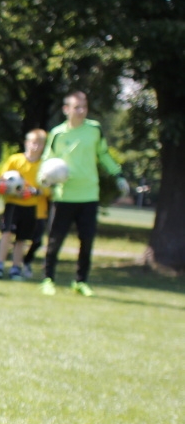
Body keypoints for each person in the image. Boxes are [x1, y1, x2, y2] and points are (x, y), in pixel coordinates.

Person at [39, 91, 128, 297]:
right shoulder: (58, 133)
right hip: (64, 196)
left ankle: (81, 282)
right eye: (76, 107)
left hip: (89, 195)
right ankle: (48, 279)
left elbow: (103, 155)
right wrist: (45, 177)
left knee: (86, 240)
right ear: (66, 110)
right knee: (55, 241)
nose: (81, 111)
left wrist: (118, 175)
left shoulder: (94, 129)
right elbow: (48, 159)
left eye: (84, 107)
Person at [0, 129, 49, 280]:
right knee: (6, 234)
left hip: (31, 206)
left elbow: (48, 189)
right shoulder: (15, 160)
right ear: (26, 143)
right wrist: (3, 186)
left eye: (39, 144)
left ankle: (16, 268)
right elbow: (1, 180)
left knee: (22, 239)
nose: (35, 147)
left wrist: (34, 192)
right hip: (13, 204)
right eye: (33, 143)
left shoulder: (44, 165)